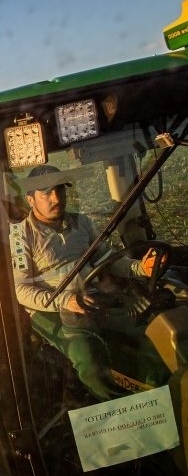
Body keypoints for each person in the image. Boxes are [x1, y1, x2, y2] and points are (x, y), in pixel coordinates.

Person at [10, 164, 165, 401]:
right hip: (52, 311)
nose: (56, 198)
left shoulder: (82, 223)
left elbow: (107, 259)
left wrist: (139, 268)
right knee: (91, 362)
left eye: (60, 190)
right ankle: (119, 409)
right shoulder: (21, 236)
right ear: (30, 199)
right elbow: (21, 290)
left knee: (151, 336)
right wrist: (64, 300)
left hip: (93, 297)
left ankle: (164, 394)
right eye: (46, 192)